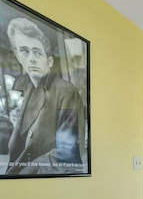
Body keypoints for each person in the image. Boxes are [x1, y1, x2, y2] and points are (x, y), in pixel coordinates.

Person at [0, 17, 86, 175]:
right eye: (24, 51)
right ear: (19, 57)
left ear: (50, 61)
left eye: (37, 52)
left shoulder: (65, 91)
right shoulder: (28, 92)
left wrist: (24, 171)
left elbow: (68, 155)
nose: (31, 58)